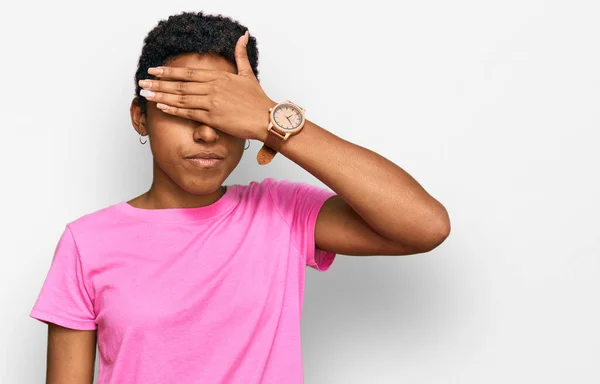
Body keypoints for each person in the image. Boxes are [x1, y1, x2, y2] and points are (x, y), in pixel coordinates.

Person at [29, 10, 451, 384]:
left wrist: (274, 121)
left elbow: (425, 226)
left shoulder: (281, 213)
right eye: (184, 112)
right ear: (142, 118)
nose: (207, 133)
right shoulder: (87, 242)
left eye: (223, 114)